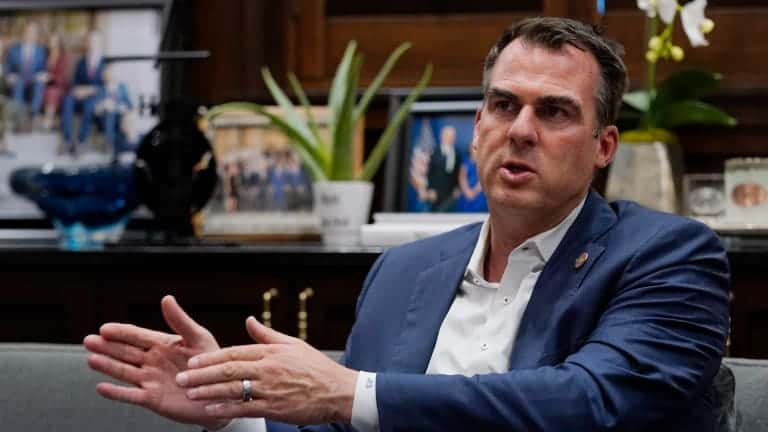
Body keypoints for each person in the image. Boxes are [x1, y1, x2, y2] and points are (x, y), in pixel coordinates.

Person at [84, 17, 731, 431]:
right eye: (503, 105)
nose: (522, 131)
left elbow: (594, 406)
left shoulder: (667, 255)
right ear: (477, 128)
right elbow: (343, 417)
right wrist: (234, 407)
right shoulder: (404, 271)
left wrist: (350, 392)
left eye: (555, 112)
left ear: (604, 146)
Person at [60, 31, 106, 155]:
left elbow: (107, 85)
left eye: (94, 41)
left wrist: (90, 90)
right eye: (89, 41)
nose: (91, 44)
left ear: (100, 43)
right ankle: (68, 140)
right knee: (67, 100)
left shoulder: (105, 62)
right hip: (79, 95)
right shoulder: (81, 61)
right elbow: (75, 81)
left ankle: (81, 141)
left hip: (96, 96)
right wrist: (77, 90)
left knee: (89, 106)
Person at [4, 22, 48, 126]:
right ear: (23, 33)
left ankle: (33, 114)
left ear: (36, 35)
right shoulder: (13, 50)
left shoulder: (41, 51)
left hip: (34, 81)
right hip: (18, 80)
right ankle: (18, 117)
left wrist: (43, 75)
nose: (30, 34)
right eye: (28, 32)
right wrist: (9, 76)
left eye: (33, 32)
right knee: (18, 83)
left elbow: (44, 69)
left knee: (39, 84)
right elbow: (7, 68)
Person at [425, 125, 460, 211]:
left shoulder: (457, 153)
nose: (451, 138)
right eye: (448, 136)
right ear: (442, 136)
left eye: (452, 136)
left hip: (450, 195)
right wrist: (429, 189)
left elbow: (457, 173)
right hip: (436, 193)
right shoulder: (434, 152)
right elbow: (429, 172)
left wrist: (457, 188)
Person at [42, 33, 69, 131]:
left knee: (52, 92)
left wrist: (50, 77)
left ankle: (48, 120)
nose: (52, 44)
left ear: (59, 43)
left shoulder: (63, 57)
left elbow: (62, 77)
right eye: (50, 41)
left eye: (54, 41)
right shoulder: (45, 55)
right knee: (45, 91)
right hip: (44, 85)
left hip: (59, 86)